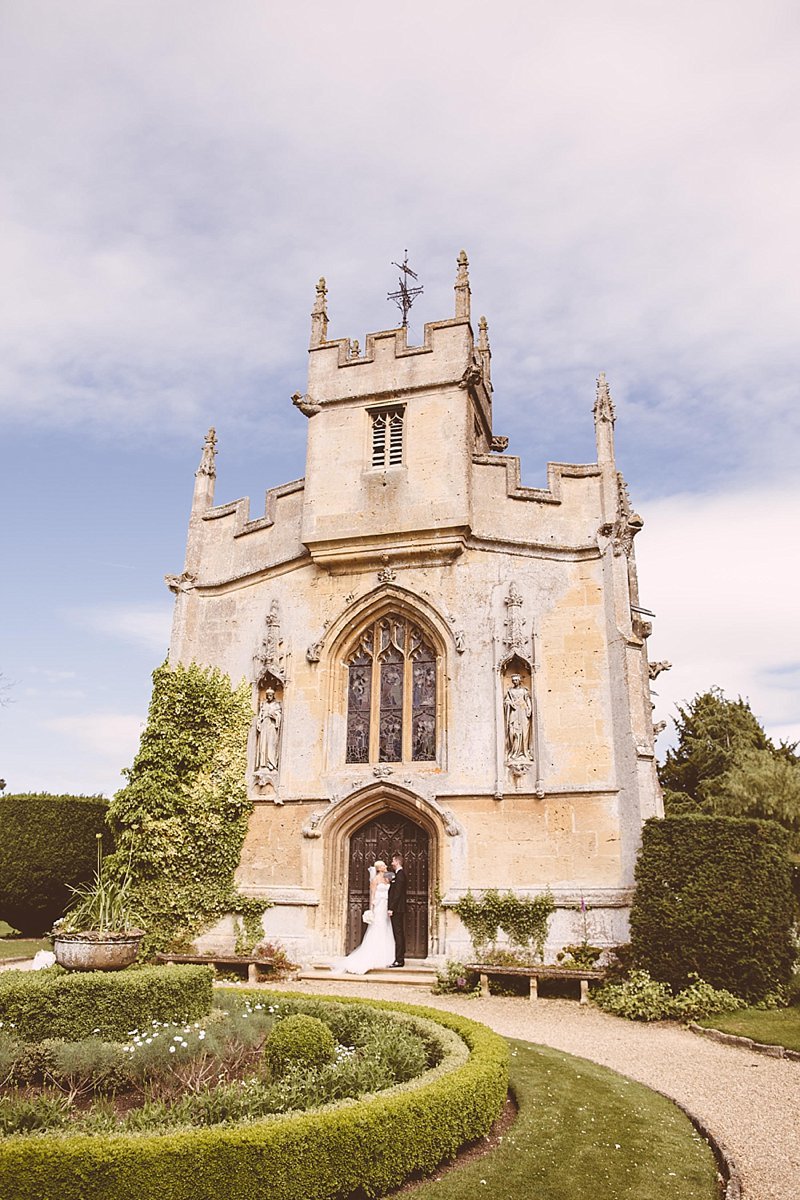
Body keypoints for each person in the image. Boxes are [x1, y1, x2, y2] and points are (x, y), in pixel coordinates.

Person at [338, 861, 395, 975]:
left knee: (386, 928)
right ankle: (374, 956)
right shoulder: (375, 880)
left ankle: (386, 955)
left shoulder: (387, 878)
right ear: (379, 868)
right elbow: (372, 895)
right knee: (378, 928)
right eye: (384, 866)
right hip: (379, 906)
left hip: (386, 905)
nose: (386, 867)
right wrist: (371, 910)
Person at [504, 674, 533, 761]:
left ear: (520, 680)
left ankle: (524, 752)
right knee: (513, 732)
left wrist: (529, 709)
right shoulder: (510, 691)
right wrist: (510, 703)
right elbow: (507, 701)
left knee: (524, 732)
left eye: (516, 680)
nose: (515, 682)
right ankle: (514, 752)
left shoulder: (524, 691)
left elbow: (527, 700)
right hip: (514, 712)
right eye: (513, 680)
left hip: (523, 712)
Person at [388, 852, 407, 967]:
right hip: (398, 908)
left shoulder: (400, 875)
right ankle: (399, 958)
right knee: (398, 932)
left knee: (398, 933)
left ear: (397, 862)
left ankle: (399, 959)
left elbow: (397, 894)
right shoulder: (397, 874)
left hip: (397, 909)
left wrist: (391, 908)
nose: (391, 863)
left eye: (393, 861)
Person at [256, 688, 282, 771]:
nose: (269, 697)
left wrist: (273, 716)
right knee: (263, 744)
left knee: (271, 744)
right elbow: (260, 715)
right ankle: (263, 764)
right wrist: (259, 723)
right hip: (264, 726)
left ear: (273, 695)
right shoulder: (264, 704)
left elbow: (279, 716)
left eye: (271, 695)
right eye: (268, 696)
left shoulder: (276, 705)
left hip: (272, 726)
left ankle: (271, 763)